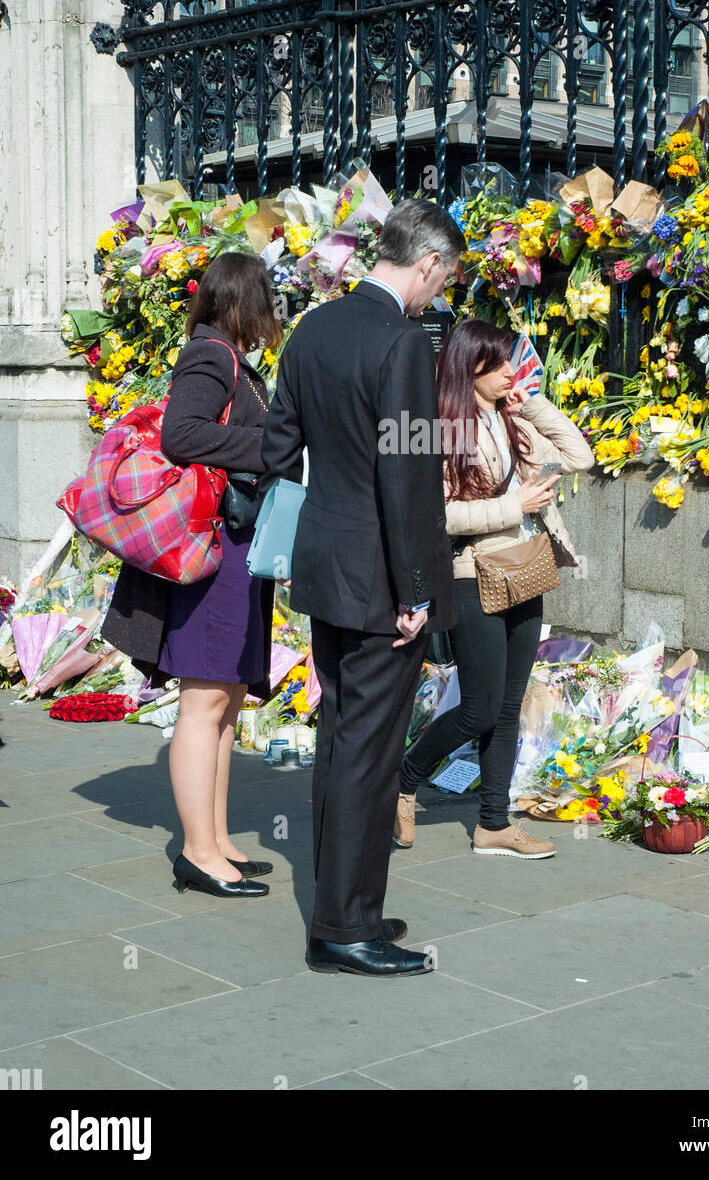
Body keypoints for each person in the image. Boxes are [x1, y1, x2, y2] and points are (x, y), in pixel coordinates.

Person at [260, 198, 465, 977]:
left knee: (344, 736)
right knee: (368, 753)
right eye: (441, 280)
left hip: (325, 567)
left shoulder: (313, 328)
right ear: (428, 264)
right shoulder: (402, 342)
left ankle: (350, 905)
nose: (437, 295)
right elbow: (408, 474)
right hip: (380, 580)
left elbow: (280, 447)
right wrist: (416, 590)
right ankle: (345, 925)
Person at [102, 252, 281, 900]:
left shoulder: (225, 354)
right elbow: (182, 435)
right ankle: (199, 853)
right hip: (212, 554)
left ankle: (218, 839)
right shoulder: (211, 355)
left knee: (225, 698)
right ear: (242, 300)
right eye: (266, 298)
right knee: (205, 701)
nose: (273, 313)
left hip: (232, 548)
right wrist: (273, 450)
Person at [395, 318, 595, 859]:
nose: (512, 370)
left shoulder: (512, 420)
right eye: (500, 362)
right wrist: (513, 507)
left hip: (525, 569)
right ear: (470, 366)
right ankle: (406, 776)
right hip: (473, 575)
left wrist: (530, 406)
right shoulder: (442, 428)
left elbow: (580, 457)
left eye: (512, 360)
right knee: (480, 709)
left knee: (507, 708)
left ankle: (494, 824)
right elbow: (435, 514)